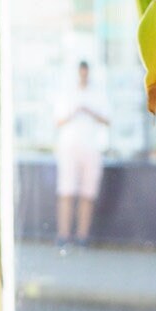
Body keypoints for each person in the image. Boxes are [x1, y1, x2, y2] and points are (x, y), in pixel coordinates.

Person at [54, 61, 110, 247]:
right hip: (69, 146)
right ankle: (63, 235)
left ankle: (82, 236)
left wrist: (90, 112)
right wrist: (75, 111)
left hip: (91, 147)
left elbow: (107, 119)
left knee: (87, 193)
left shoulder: (98, 94)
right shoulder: (67, 93)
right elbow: (58, 120)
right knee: (67, 191)